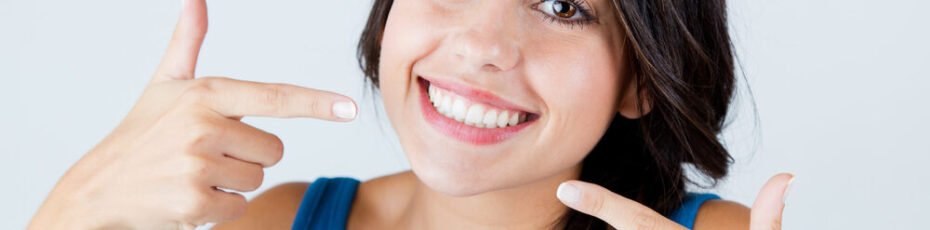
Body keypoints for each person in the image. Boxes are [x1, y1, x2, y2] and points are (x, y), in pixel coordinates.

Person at [29, 0, 793, 229]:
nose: (482, 46)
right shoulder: (278, 223)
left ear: (643, 79)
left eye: (562, 5)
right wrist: (75, 210)